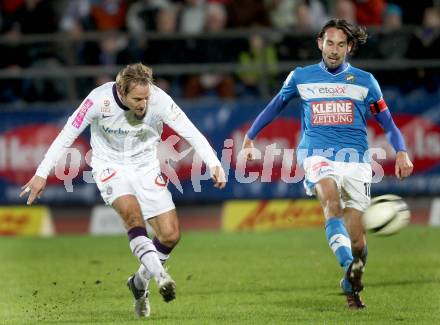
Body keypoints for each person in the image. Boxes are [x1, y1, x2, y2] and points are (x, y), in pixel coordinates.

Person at [20, 63, 226, 317]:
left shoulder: (158, 99)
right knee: (132, 216)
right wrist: (42, 173)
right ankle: (161, 277)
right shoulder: (98, 99)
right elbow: (67, 134)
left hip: (146, 167)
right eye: (137, 99)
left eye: (146, 97)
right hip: (109, 166)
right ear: (121, 92)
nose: (143, 104)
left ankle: (139, 283)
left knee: (170, 235)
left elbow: (192, 133)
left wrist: (214, 163)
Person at [241, 19, 413, 309]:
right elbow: (275, 106)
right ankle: (348, 266)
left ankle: (351, 281)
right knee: (330, 202)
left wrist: (402, 151)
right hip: (316, 155)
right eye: (329, 43)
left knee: (358, 241)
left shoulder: (365, 81)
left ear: (350, 47)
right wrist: (249, 138)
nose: (334, 50)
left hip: (356, 161)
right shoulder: (300, 77)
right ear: (320, 43)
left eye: (341, 44)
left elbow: (388, 123)